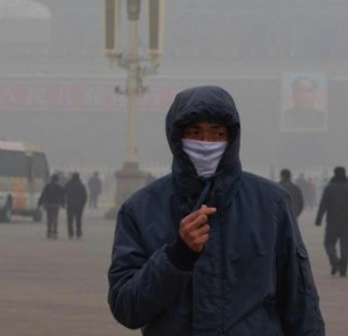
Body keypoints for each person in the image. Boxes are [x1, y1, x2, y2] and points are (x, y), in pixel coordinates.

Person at [107, 85, 324, 335]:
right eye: (195, 133)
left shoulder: (271, 203)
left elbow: (300, 301)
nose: (206, 143)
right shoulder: (141, 209)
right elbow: (127, 308)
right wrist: (176, 258)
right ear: (177, 137)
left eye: (217, 133)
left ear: (231, 139)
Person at [315, 166, 348, 277]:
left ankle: (334, 259)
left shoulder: (330, 188)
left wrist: (319, 219)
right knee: (345, 247)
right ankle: (343, 271)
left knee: (328, 243)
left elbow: (323, 204)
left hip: (332, 221)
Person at [38, 173, 65, 239]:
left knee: (49, 218)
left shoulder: (47, 186)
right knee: (55, 219)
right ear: (57, 180)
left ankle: (49, 231)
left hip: (48, 204)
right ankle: (55, 232)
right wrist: (63, 204)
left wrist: (40, 203)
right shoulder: (59, 187)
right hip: (56, 205)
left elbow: (43, 195)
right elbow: (62, 196)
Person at [64, 172, 87, 239]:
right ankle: (78, 233)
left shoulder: (68, 184)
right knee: (78, 220)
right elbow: (84, 196)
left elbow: (63, 192)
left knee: (70, 220)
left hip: (70, 204)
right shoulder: (81, 185)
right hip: (79, 205)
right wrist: (83, 204)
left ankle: (70, 233)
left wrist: (64, 202)